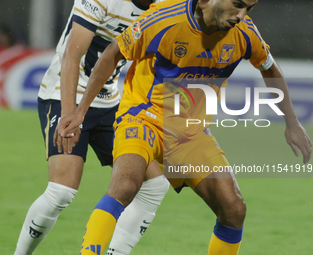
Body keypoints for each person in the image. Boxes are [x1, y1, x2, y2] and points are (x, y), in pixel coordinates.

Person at [56, 0, 313, 254]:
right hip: (144, 116)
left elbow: (270, 68)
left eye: (249, 7)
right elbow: (113, 52)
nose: (242, 14)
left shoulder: (245, 33)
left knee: (234, 209)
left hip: (190, 132)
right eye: (237, 4)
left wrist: (292, 123)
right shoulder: (164, 19)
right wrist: (81, 111)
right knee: (125, 186)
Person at [13, 0, 170, 255]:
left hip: (110, 100)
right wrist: (69, 115)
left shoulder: (165, 6)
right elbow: (72, 56)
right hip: (64, 93)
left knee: (154, 183)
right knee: (61, 192)